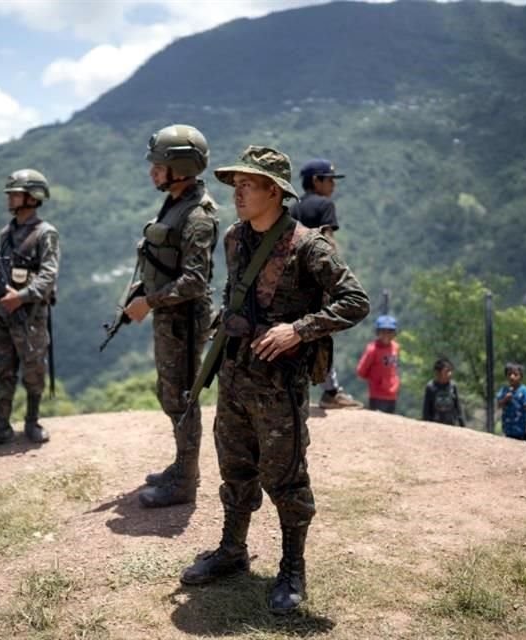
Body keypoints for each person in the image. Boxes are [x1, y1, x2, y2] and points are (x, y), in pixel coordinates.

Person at [179, 146, 369, 615]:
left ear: (275, 191)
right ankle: (233, 550)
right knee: (235, 467)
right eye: (236, 184)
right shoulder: (232, 239)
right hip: (235, 375)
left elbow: (355, 301)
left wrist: (297, 330)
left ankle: (292, 568)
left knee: (285, 478)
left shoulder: (309, 246)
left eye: (248, 185)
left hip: (279, 385)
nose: (238, 193)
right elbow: (236, 296)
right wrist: (222, 322)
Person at [125, 124, 219, 509]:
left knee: (182, 397)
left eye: (159, 165)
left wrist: (150, 303)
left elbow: (195, 281)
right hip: (170, 316)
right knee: (170, 393)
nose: (152, 171)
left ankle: (185, 481)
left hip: (184, 320)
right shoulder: (176, 200)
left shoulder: (197, 215)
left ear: (180, 166)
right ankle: (182, 465)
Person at [0, 169, 60, 449]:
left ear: (32, 197)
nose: (9, 197)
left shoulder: (46, 234)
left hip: (29, 314)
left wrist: (21, 296)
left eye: (15, 193)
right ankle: (1, 427)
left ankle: (32, 422)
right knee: (3, 370)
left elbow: (48, 276)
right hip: (3, 313)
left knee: (33, 370)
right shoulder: (7, 232)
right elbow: (2, 260)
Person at [290, 158, 362, 410]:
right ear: (315, 181)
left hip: (294, 279)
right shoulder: (324, 205)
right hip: (318, 279)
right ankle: (331, 391)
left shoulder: (294, 207)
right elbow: (328, 243)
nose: (332, 185)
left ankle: (300, 385)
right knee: (322, 331)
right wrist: (338, 278)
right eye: (329, 179)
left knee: (295, 330)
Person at [356, 315, 400, 413]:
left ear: (394, 333)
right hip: (377, 395)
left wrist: (395, 382)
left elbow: (394, 368)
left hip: (392, 394)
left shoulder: (395, 347)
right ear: (377, 332)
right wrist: (376, 380)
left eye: (390, 331)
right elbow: (361, 371)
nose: (386, 334)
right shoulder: (372, 350)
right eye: (383, 331)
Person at [496, 362, 526, 441]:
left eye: (515, 374)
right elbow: (499, 405)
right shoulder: (504, 390)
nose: (512, 377)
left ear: (520, 376)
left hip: (522, 430)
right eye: (509, 374)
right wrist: (505, 399)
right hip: (508, 429)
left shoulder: (524, 390)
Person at [422, 358, 465, 426]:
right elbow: (426, 411)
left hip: (451, 426)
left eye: (450, 371)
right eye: (447, 371)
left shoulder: (453, 386)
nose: (450, 374)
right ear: (438, 373)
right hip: (435, 426)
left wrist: (462, 425)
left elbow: (458, 409)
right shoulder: (431, 387)